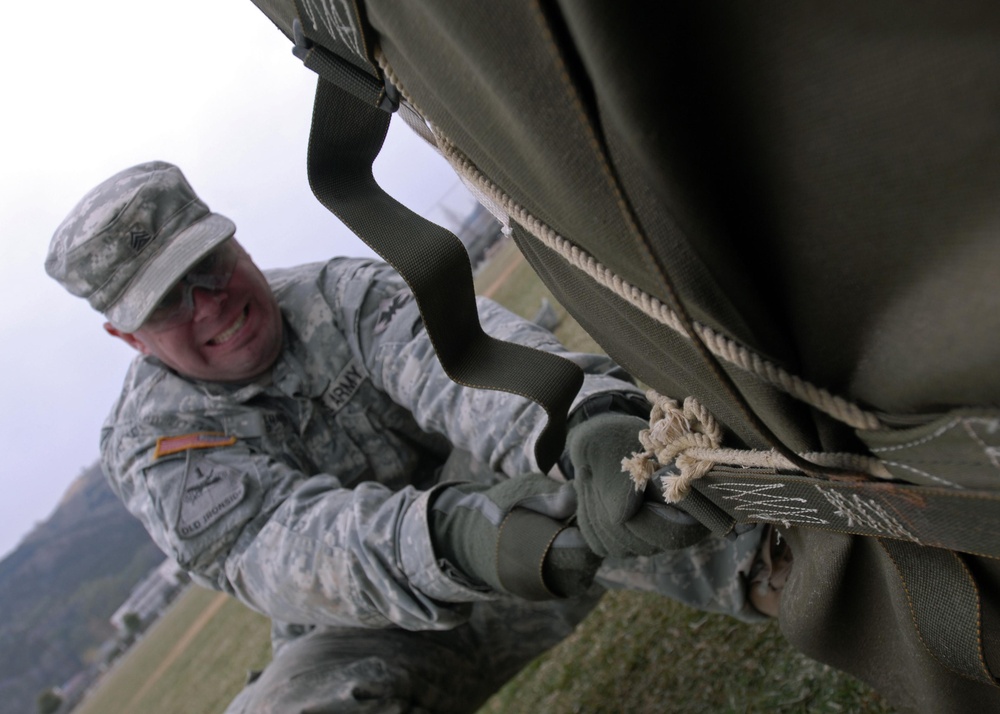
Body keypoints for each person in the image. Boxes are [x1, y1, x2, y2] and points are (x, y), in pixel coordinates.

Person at [46, 161, 766, 712]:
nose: (209, 302)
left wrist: (583, 424)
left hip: (553, 526)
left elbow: (468, 366)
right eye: (169, 300)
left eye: (207, 264)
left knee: (633, 477)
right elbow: (283, 549)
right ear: (127, 337)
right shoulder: (155, 447)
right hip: (384, 633)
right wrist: (455, 537)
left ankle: (789, 566)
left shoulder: (342, 295)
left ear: (234, 239)